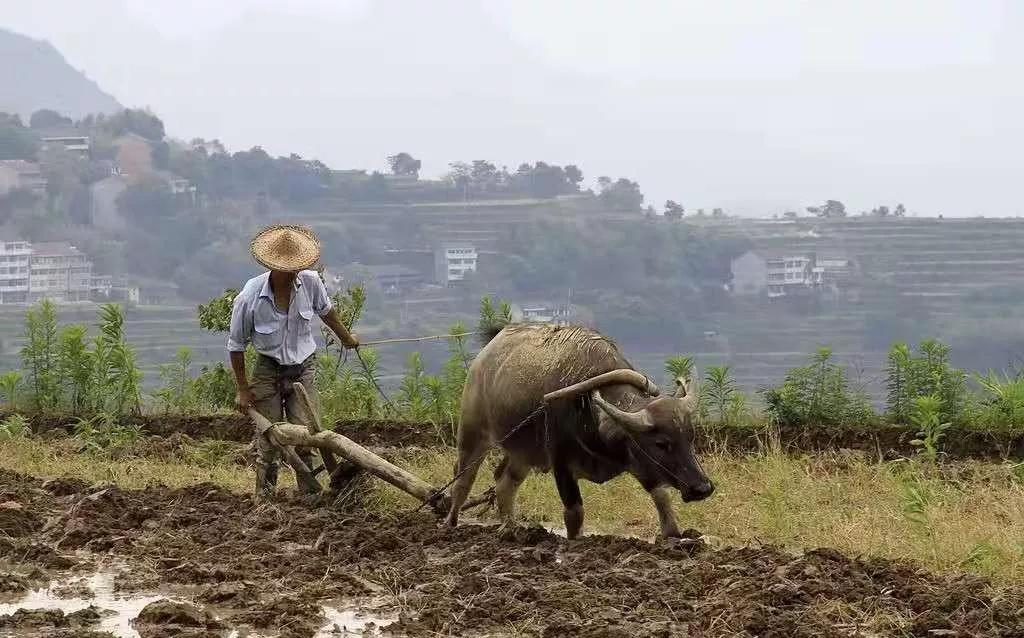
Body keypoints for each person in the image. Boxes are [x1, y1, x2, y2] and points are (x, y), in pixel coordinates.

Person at [227, 224, 359, 498]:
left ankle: (309, 496)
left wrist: (347, 338)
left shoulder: (310, 282)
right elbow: (236, 346)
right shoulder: (250, 296)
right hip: (267, 369)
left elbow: (327, 313)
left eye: (296, 267)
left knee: (307, 436)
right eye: (288, 268)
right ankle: (264, 498)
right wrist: (242, 389)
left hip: (303, 368)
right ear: (273, 267)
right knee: (270, 439)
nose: (293, 273)